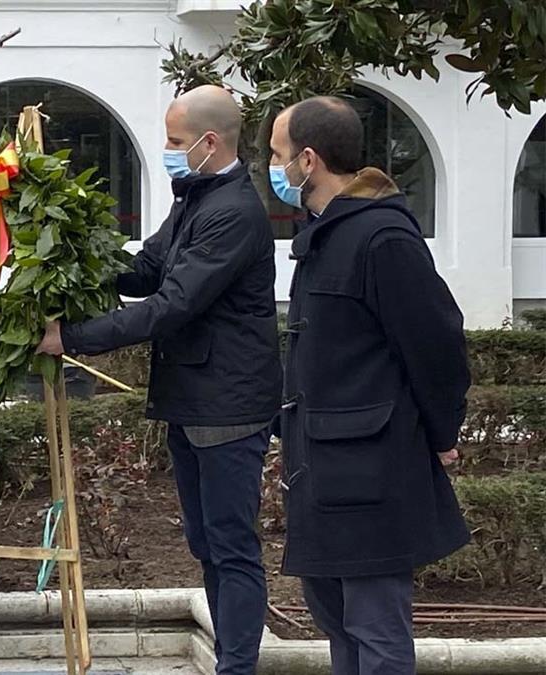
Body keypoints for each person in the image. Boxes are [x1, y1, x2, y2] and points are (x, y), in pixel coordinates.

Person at [36, 85, 281, 675]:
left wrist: (70, 338)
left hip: (226, 406)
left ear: (209, 141)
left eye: (175, 142)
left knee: (230, 548)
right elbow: (148, 268)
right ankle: (231, 659)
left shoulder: (232, 212)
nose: (168, 151)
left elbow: (172, 305)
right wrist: (65, 254)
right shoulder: (197, 195)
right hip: (194, 399)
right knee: (207, 545)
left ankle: (238, 666)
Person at [269, 97, 470, 675]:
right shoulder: (324, 234)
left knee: (376, 630)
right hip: (319, 469)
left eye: (279, 156)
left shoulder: (382, 237)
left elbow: (436, 343)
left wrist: (441, 430)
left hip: (372, 470)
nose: (274, 169)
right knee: (336, 623)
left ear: (309, 160)